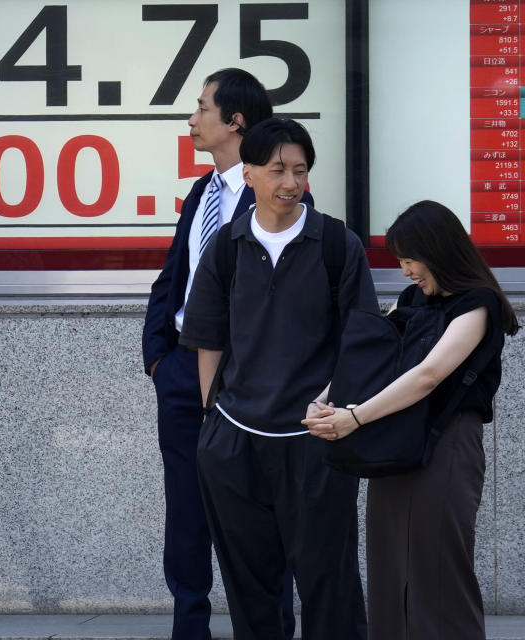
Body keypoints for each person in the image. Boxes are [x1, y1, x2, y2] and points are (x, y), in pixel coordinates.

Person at [179, 118, 376, 640]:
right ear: (248, 175)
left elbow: (359, 343)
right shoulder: (225, 246)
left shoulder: (337, 244)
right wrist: (211, 424)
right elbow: (208, 339)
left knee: (330, 586)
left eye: (300, 170)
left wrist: (334, 410)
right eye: (277, 170)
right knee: (251, 592)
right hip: (235, 442)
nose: (290, 182)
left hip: (315, 440)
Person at [304, 200, 518, 640]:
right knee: (388, 566)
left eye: (408, 259)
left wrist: (355, 418)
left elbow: (427, 375)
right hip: (397, 441)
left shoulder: (478, 305)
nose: (404, 271)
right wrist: (325, 399)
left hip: (450, 444)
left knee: (437, 569)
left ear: (437, 251)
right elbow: (376, 364)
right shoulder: (412, 299)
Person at [142, 68, 307, 639]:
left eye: (202, 107)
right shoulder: (201, 191)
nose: (192, 118)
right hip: (184, 370)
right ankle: (189, 628)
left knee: (259, 515)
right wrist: (159, 356)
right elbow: (173, 277)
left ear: (235, 120)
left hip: (249, 376)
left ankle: (267, 629)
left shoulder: (277, 194)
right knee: (185, 514)